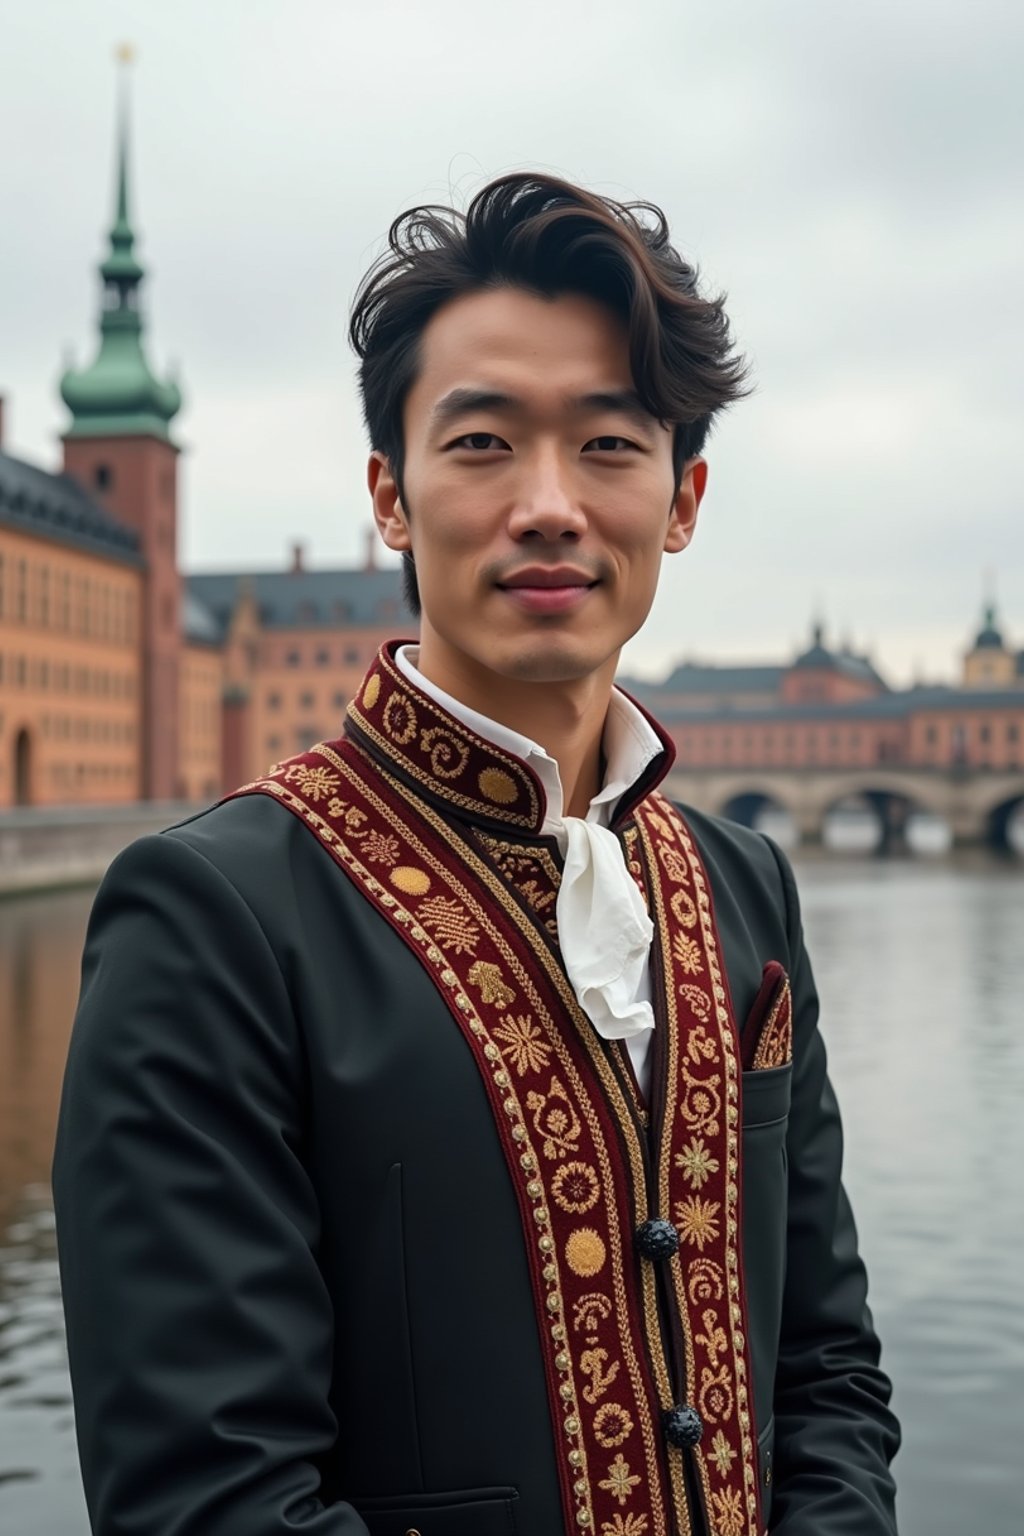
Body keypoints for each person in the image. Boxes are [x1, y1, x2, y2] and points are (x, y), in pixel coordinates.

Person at [53, 174, 900, 1536]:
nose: (551, 505)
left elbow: (827, 1375)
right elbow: (208, 1499)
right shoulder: (216, 918)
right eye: (485, 443)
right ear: (391, 496)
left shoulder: (746, 888)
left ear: (681, 502)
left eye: (611, 446)